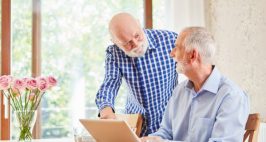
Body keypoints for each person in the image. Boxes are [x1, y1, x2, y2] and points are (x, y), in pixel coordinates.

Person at [141, 27, 249, 142]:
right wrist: (148, 140)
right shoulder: (179, 91)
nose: (171, 53)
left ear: (192, 55)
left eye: (177, 48)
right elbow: (165, 132)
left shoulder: (231, 96)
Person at [95, 12, 178, 136]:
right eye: (127, 43)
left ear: (139, 25)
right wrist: (106, 113)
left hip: (168, 125)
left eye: (137, 36)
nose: (136, 44)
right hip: (135, 126)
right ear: (115, 42)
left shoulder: (171, 40)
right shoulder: (114, 53)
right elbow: (109, 84)